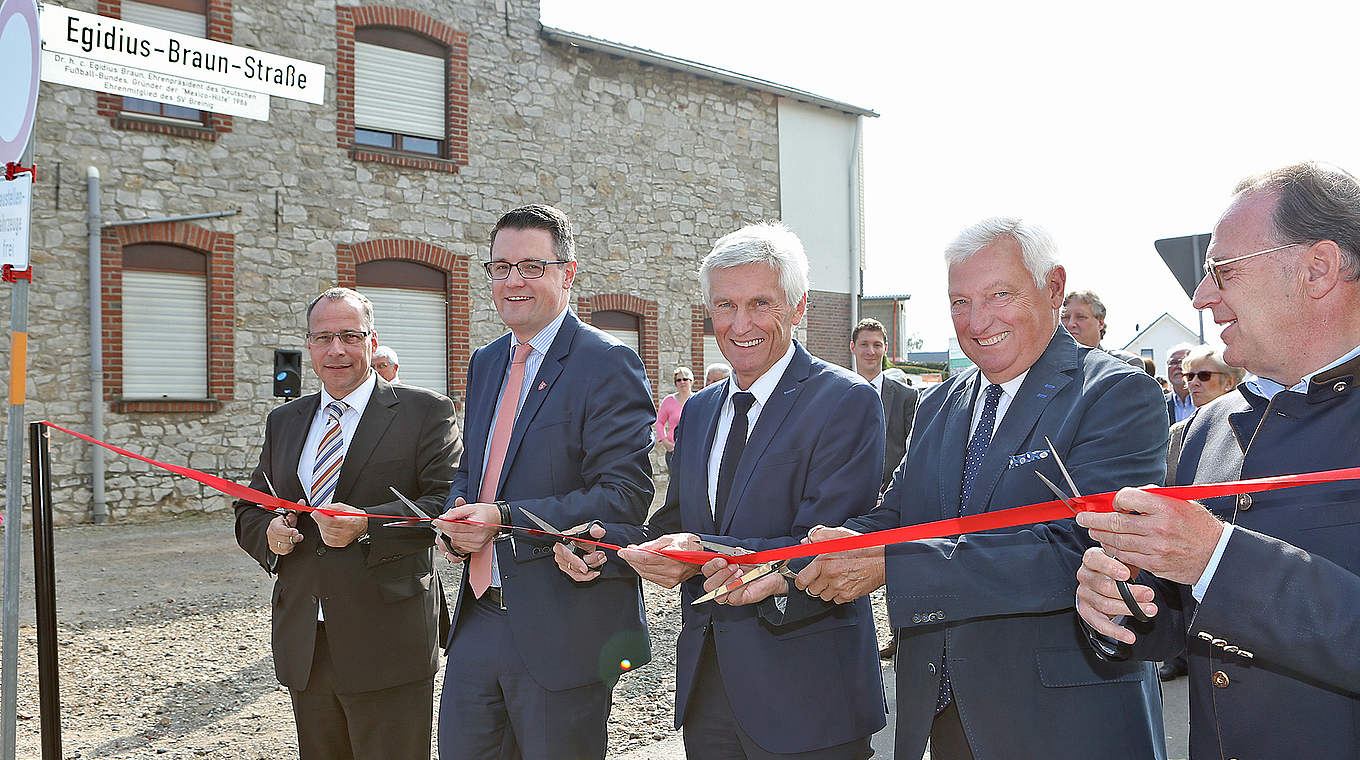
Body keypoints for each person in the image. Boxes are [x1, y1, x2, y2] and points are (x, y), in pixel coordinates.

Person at [733, 217, 1169, 759]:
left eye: (999, 295)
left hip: (1061, 725)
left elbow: (1077, 552)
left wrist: (889, 563)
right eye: (960, 302)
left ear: (1054, 287)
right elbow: (897, 519)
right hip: (944, 718)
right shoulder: (941, 403)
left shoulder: (1115, 394)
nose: (978, 320)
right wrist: (791, 565)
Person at [560, 222, 887, 758]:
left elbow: (826, 546)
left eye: (761, 303)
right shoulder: (701, 409)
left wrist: (697, 555)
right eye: (725, 306)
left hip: (809, 696)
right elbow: (679, 523)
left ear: (798, 307)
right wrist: (608, 547)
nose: (740, 324)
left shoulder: (844, 402)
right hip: (709, 687)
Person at [1075, 162, 1360, 759]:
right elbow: (1188, 619)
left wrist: (1217, 560)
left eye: (1220, 272)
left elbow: (1225, 572)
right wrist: (1124, 607)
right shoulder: (1211, 426)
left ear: (1319, 268)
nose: (1202, 297)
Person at [433, 204, 655, 760]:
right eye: (501, 267)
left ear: (567, 272)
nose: (514, 280)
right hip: (479, 615)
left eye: (532, 266)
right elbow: (476, 472)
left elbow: (624, 494)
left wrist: (503, 518)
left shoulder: (607, 363)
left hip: (563, 626)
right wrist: (457, 519)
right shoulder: (486, 362)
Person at [233, 288, 463, 760]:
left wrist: (368, 526)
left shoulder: (425, 412)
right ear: (310, 346)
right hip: (306, 638)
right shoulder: (285, 421)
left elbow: (445, 504)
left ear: (372, 341)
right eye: (323, 337)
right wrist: (269, 536)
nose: (336, 349)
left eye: (349, 336)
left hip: (387, 638)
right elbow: (251, 507)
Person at [850, 317, 919, 492]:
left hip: (892, 496)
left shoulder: (907, 396)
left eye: (877, 345)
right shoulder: (837, 393)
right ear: (853, 347)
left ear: (885, 348)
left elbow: (914, 450)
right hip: (847, 493)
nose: (870, 351)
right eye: (864, 344)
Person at [1060, 289, 1143, 366]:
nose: (1070, 324)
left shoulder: (1124, 364)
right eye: (1065, 317)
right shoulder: (1050, 364)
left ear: (1100, 323)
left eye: (1080, 317)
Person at [1179, 345, 1244, 409]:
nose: (1193, 382)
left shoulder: (1239, 417)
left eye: (1204, 375)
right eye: (1190, 376)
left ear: (1229, 383)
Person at [655, 366, 695, 469]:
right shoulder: (668, 400)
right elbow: (659, 423)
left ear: (691, 381)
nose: (682, 382)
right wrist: (665, 441)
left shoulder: (698, 399)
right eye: (679, 380)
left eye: (685, 379)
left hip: (693, 450)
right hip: (673, 450)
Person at [1165, 343, 1196, 423]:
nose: (1179, 366)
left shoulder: (1208, 401)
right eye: (1173, 362)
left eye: (1184, 362)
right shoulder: (1159, 404)